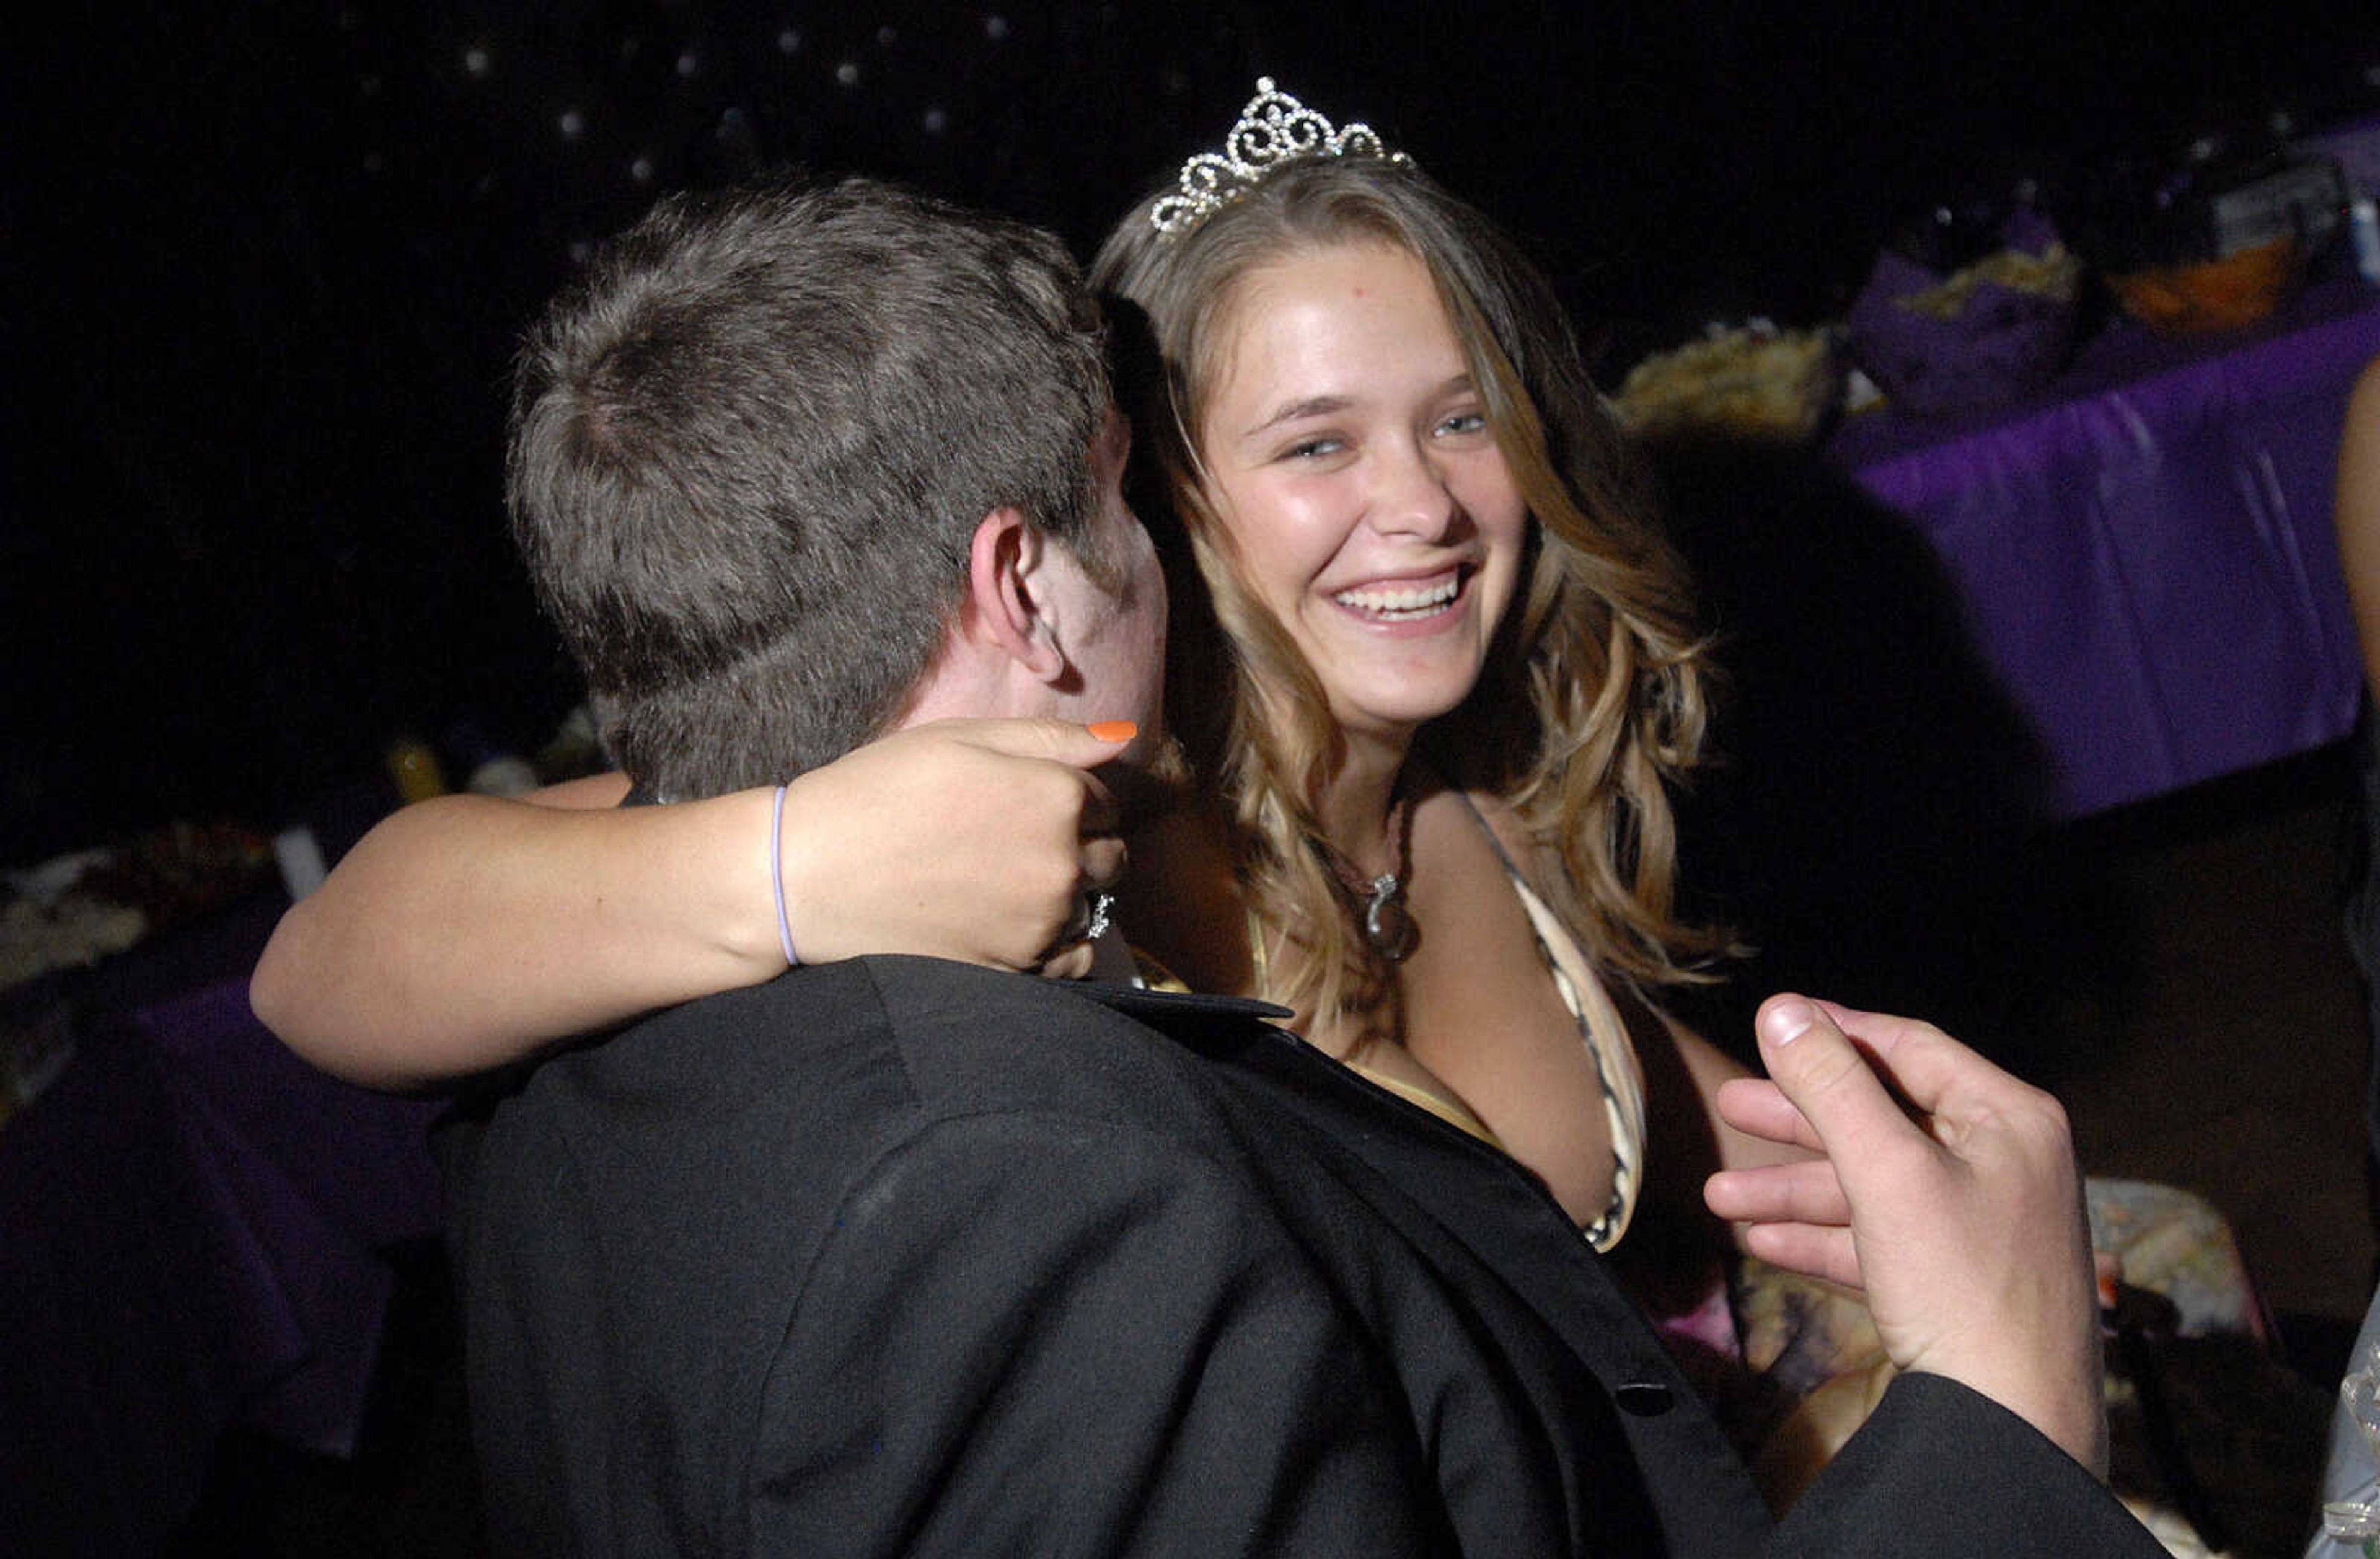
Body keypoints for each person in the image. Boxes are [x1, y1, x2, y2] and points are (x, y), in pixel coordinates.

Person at [436, 159, 2152, 1555]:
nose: (1423, 505)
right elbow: (360, 939)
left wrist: (1907, 1207)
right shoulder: (1058, 823)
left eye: (1466, 419)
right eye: (1319, 443)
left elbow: (1692, 1148)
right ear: (1153, 508)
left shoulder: (1483, 791)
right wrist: (796, 861)